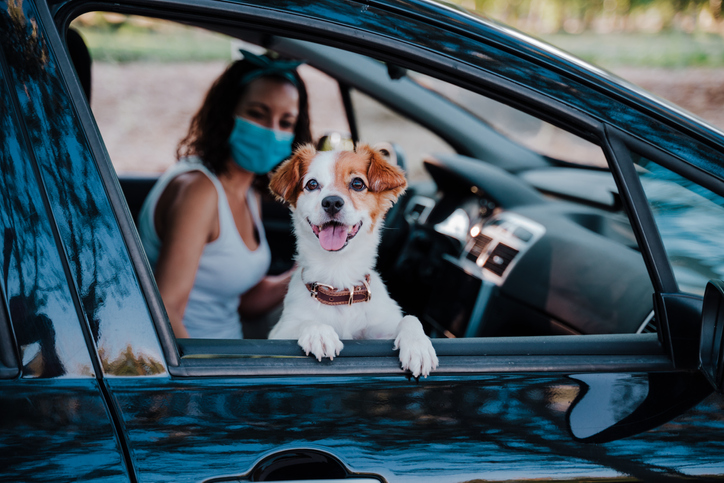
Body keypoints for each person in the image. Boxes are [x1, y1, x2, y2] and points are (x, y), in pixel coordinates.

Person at [138, 50, 312, 339]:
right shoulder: (199, 190)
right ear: (227, 114)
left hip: (230, 350)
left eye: (285, 122)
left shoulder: (247, 188)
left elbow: (238, 302)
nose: (272, 131)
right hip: (202, 366)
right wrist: (201, 382)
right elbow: (166, 313)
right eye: (257, 114)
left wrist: (307, 275)